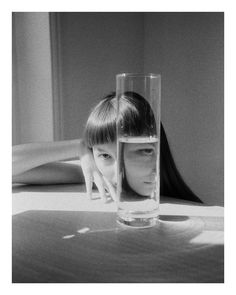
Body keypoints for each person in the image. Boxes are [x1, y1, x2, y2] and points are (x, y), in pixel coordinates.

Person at [12, 91, 202, 204]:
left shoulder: (192, 209)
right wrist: (82, 146)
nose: (117, 172)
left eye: (138, 152)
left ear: (156, 151)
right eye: (105, 156)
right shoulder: (101, 177)